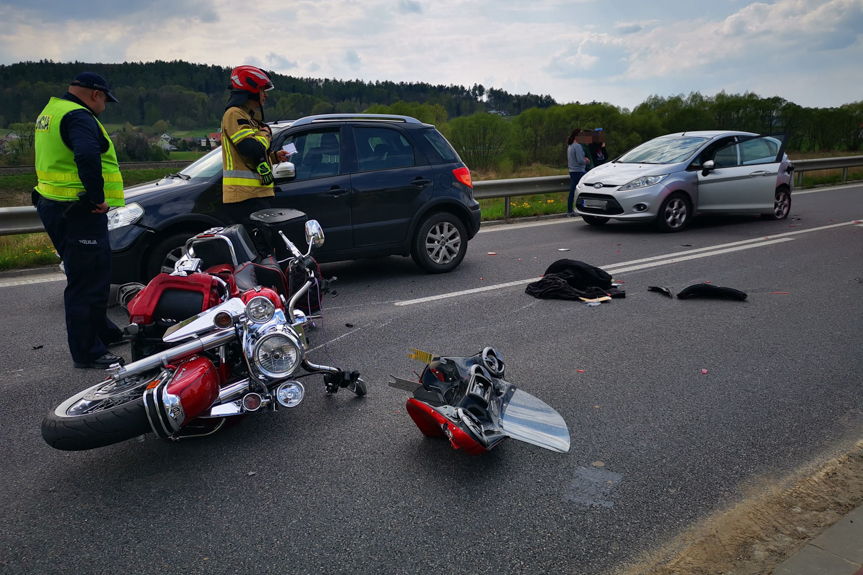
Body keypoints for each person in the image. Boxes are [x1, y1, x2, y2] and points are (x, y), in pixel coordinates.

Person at [32, 72, 126, 369]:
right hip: (79, 209)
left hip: (55, 203)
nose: (105, 106)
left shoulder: (51, 111)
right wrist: (97, 197)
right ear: (96, 94)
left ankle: (103, 333)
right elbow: (87, 156)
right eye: (105, 100)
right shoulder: (79, 116)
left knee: (94, 273)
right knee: (86, 281)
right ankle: (88, 352)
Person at [220, 65, 289, 226]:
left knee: (266, 244)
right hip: (244, 198)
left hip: (255, 195)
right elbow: (251, 148)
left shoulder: (247, 116)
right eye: (262, 90)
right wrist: (266, 133)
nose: (265, 95)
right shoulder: (234, 114)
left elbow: (251, 158)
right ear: (251, 90)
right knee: (258, 245)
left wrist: (273, 157)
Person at [566, 128, 590, 216]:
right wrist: (586, 160)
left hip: (572, 171)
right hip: (579, 171)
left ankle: (570, 210)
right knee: (586, 191)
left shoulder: (570, 145)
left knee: (573, 191)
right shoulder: (578, 146)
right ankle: (584, 209)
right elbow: (580, 160)